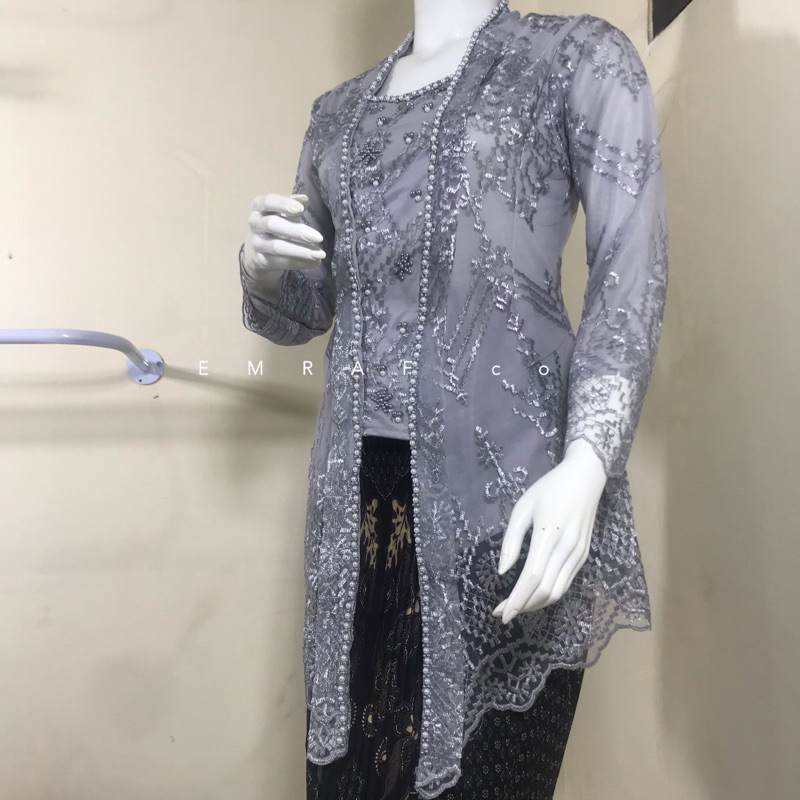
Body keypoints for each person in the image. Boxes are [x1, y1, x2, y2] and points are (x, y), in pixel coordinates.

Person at [239, 1, 668, 797]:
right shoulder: (337, 115)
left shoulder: (576, 57)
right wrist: (261, 269)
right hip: (353, 520)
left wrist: (588, 463)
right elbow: (305, 311)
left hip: (507, 509)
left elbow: (629, 277)